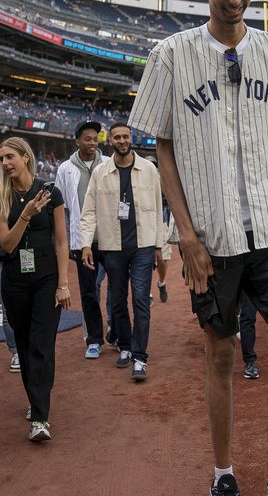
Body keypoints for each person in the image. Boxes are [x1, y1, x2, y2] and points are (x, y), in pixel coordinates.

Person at [129, 0, 268, 493]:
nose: (235, 1)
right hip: (215, 233)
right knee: (220, 352)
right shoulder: (171, 54)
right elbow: (162, 146)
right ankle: (223, 472)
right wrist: (185, 236)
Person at [0, 137, 72, 442]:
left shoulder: (50, 193)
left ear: (25, 157)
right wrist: (25, 215)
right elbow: (7, 245)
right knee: (24, 345)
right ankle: (36, 398)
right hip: (15, 279)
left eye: (10, 156)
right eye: (1, 158)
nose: (5, 163)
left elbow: (62, 241)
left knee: (41, 344)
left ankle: (39, 417)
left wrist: (63, 283)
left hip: (47, 278)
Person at [79, 123, 166, 381]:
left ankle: (140, 356)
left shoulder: (149, 170)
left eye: (125, 136)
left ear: (131, 139)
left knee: (140, 299)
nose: (121, 140)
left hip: (142, 245)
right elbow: (89, 211)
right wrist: (86, 243)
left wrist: (159, 244)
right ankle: (126, 346)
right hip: (112, 246)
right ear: (111, 141)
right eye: (117, 137)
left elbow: (158, 207)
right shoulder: (101, 172)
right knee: (117, 301)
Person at [55, 120, 110, 359]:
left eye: (95, 138)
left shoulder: (109, 163)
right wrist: (66, 241)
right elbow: (62, 209)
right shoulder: (65, 168)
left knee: (117, 290)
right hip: (81, 242)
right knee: (89, 292)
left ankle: (116, 333)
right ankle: (94, 339)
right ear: (77, 141)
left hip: (110, 239)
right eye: (87, 138)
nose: (92, 143)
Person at [146, 155, 176, 303]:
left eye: (153, 165)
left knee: (163, 258)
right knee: (144, 260)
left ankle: (161, 283)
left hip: (161, 221)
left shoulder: (162, 178)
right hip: (144, 224)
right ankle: (147, 292)